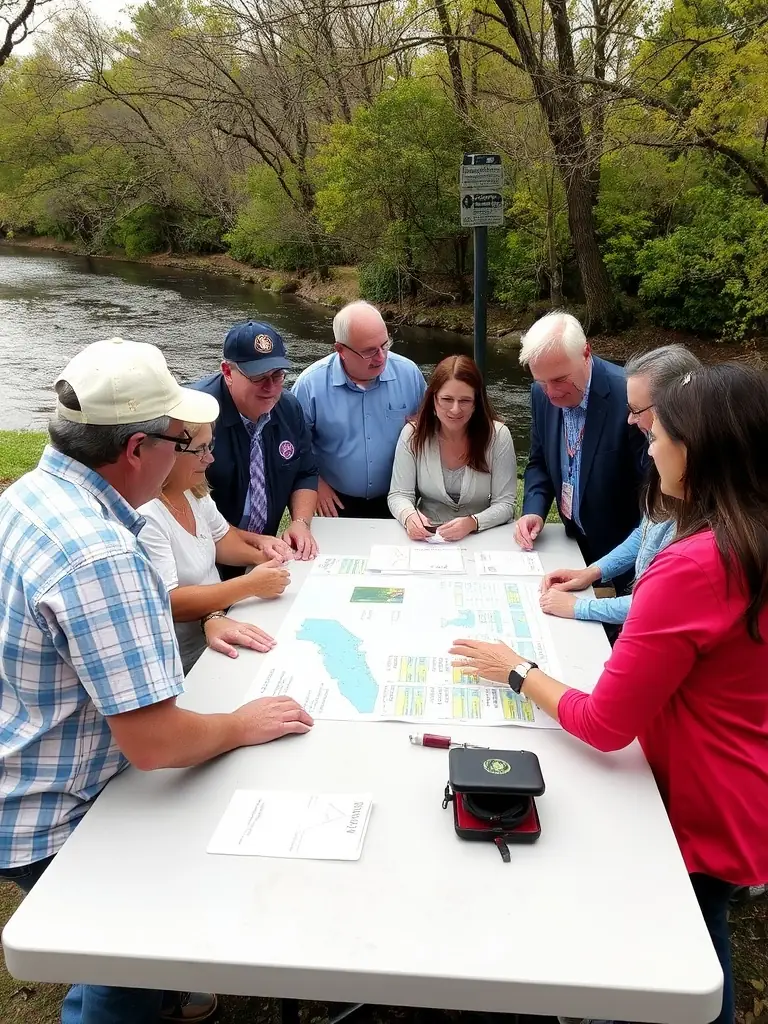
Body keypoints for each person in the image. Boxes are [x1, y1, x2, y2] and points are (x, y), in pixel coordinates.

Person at [0, 338, 313, 1024]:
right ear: (138, 449)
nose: (195, 457)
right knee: (130, 959)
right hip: (60, 809)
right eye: (180, 442)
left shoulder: (29, 495)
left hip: (27, 765)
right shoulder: (102, 553)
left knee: (102, 947)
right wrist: (242, 723)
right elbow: (156, 743)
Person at [451, 362, 768, 1024]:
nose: (649, 449)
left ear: (698, 450)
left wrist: (515, 669)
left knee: (685, 949)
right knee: (701, 933)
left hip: (697, 797)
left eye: (661, 436)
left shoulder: (694, 564)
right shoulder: (745, 533)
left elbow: (603, 724)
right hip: (742, 776)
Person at [539, 345, 701, 624]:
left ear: (677, 409)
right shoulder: (669, 472)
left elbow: (659, 601)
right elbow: (647, 532)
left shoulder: (703, 506)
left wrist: (581, 608)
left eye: (636, 410)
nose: (629, 419)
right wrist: (591, 572)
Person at [139, 418, 292, 673]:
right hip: (182, 658)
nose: (209, 458)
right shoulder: (147, 516)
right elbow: (170, 601)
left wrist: (266, 558)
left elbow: (222, 539)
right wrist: (250, 585)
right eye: (199, 450)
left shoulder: (192, 490)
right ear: (168, 452)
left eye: (209, 446)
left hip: (216, 631)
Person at [514, 312, 647, 594]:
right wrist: (534, 510)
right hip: (573, 544)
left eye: (559, 380)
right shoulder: (540, 394)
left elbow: (655, 496)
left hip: (627, 554)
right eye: (542, 382)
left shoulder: (629, 396)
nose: (551, 393)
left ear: (586, 353)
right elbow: (539, 462)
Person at [191, 320, 319, 562]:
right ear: (227, 372)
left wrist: (300, 523)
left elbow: (306, 472)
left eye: (278, 375)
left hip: (265, 551)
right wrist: (255, 548)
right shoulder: (197, 415)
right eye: (258, 377)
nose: (270, 388)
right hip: (207, 557)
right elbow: (183, 503)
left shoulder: (289, 409)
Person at [292, 300, 426, 518]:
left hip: (399, 498)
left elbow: (432, 429)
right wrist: (315, 482)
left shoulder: (409, 375)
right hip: (335, 500)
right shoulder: (310, 385)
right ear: (341, 350)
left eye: (385, 345)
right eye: (369, 351)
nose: (381, 357)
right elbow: (293, 444)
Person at [388, 355, 516, 540]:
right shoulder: (412, 435)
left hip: (483, 535)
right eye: (447, 399)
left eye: (464, 401)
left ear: (476, 403)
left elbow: (505, 503)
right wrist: (409, 516)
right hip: (428, 536)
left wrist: (473, 522)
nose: (455, 409)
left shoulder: (498, 436)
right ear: (433, 400)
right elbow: (399, 494)